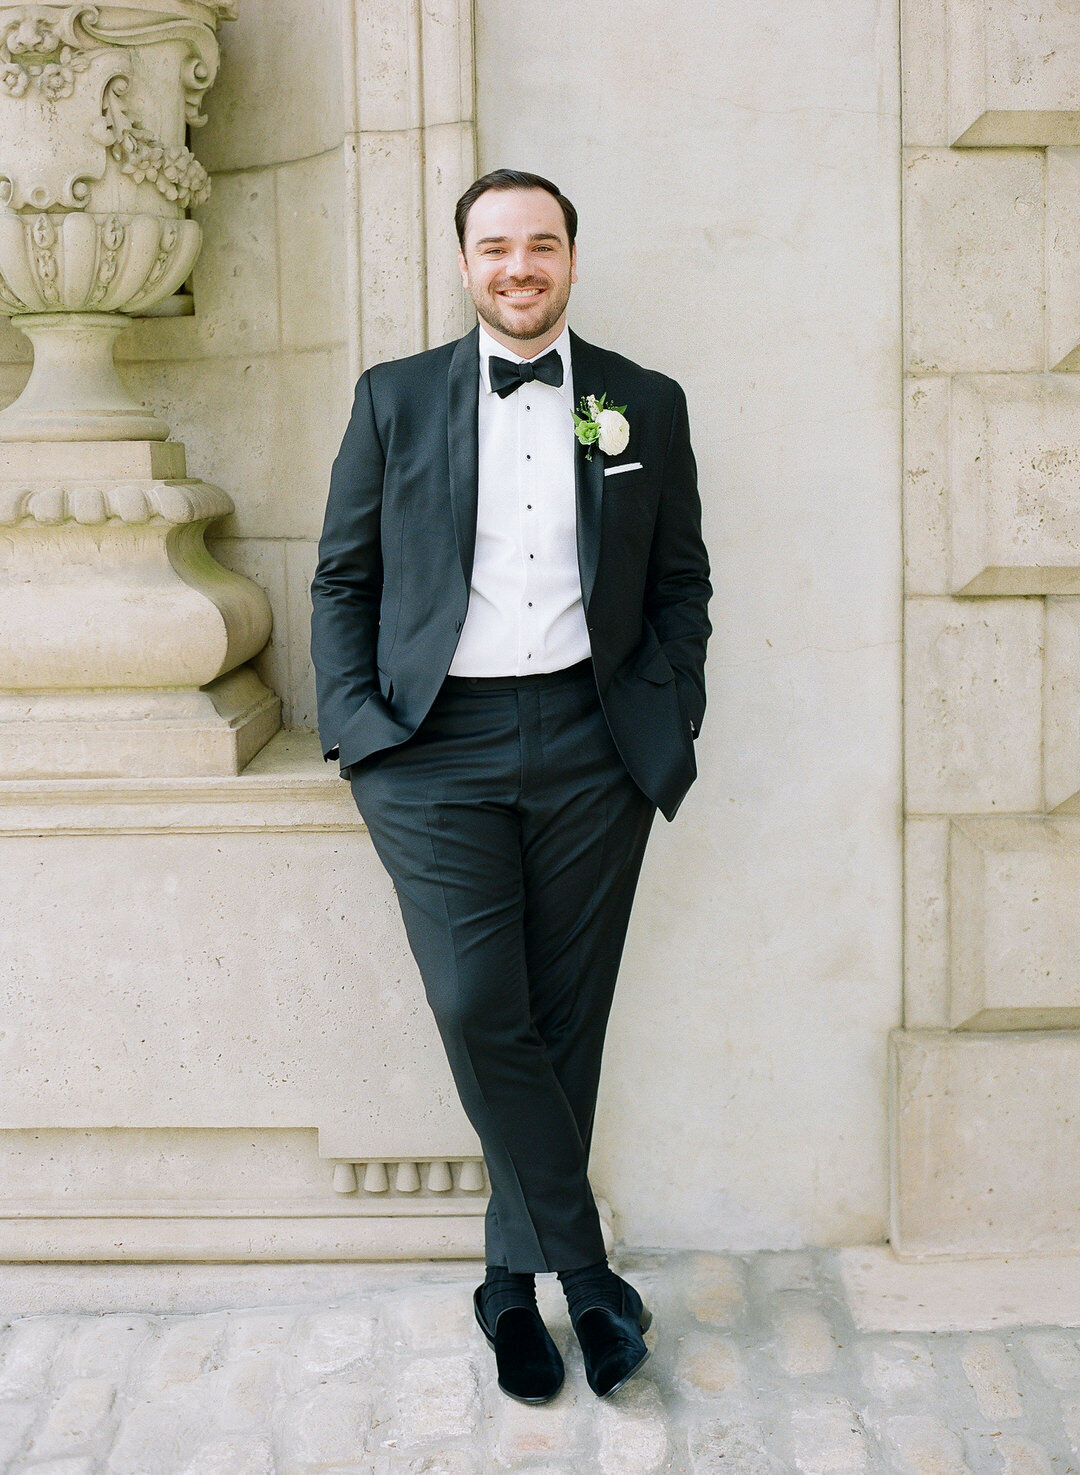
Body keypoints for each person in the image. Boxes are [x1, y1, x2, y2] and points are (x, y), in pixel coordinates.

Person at [310, 168, 712, 1403]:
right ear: (466, 262)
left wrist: (670, 707)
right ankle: (589, 1277)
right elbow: (342, 581)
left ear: (572, 260)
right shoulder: (394, 399)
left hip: (596, 742)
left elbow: (683, 580)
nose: (519, 267)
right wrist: (362, 733)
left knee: (561, 1027)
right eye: (496, 247)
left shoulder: (645, 400)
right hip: (434, 748)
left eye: (541, 245)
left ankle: (509, 1290)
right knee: (484, 998)